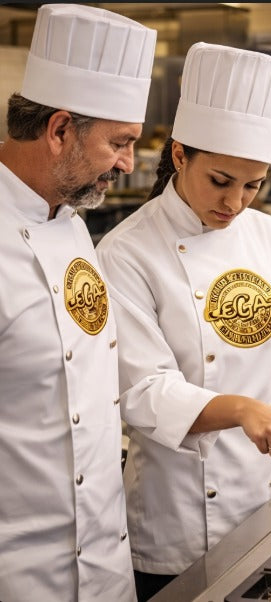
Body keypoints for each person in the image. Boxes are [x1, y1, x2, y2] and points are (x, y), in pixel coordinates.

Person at [96, 42, 271, 601]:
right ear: (179, 155)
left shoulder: (269, 236)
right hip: (175, 520)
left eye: (252, 185)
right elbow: (143, 391)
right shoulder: (127, 251)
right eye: (220, 181)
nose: (235, 203)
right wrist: (242, 408)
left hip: (263, 499)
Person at [0, 4, 156, 602]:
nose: (128, 163)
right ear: (60, 130)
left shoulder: (70, 220)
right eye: (119, 143)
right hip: (20, 573)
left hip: (106, 559)